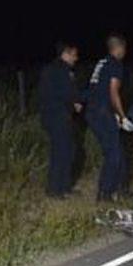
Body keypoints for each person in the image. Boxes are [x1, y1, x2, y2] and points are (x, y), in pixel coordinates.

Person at [85, 33, 131, 202]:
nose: (125, 52)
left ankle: (121, 189)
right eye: (124, 48)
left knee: (119, 151)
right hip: (102, 113)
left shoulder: (102, 63)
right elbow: (113, 92)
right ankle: (105, 193)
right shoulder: (115, 64)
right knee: (114, 154)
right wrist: (122, 116)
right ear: (119, 48)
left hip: (94, 111)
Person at [38, 41, 83, 198]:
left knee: (68, 150)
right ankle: (55, 190)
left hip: (54, 115)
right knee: (61, 152)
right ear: (67, 53)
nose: (76, 58)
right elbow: (66, 92)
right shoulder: (60, 70)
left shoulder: (53, 69)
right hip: (58, 116)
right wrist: (76, 102)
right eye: (74, 54)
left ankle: (64, 187)